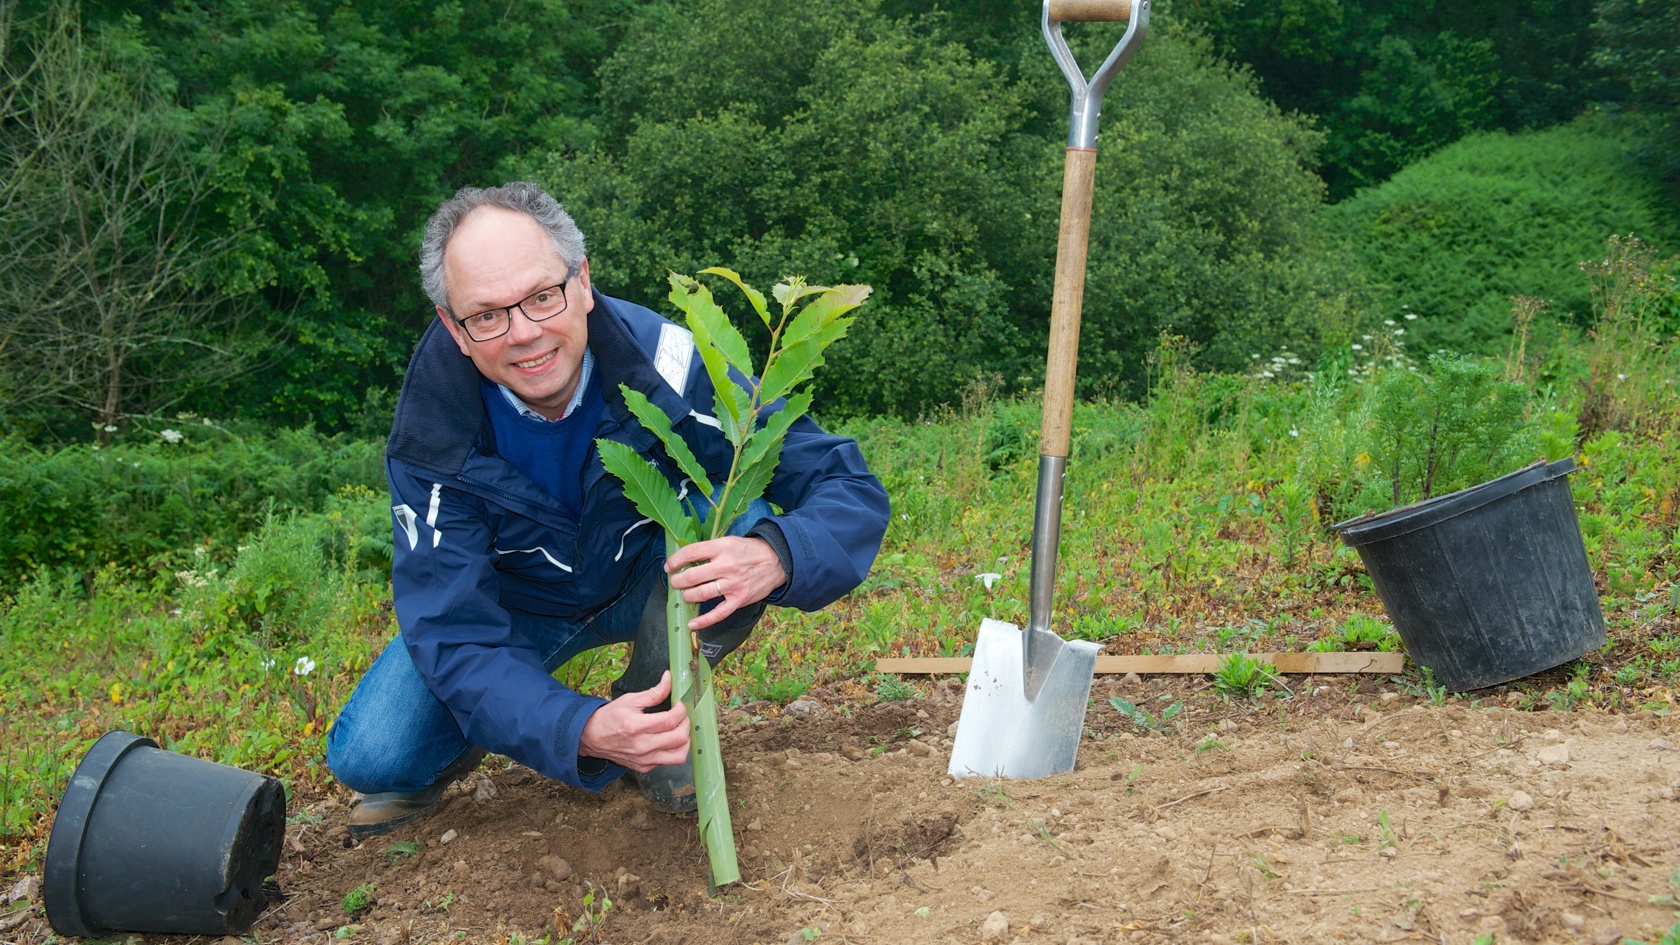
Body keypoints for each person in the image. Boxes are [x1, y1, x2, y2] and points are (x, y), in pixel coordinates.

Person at [325, 181, 888, 839]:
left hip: (646, 577)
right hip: (517, 609)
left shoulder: (673, 366)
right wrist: (578, 728)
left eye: (542, 296)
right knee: (374, 754)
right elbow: (454, 628)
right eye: (487, 315)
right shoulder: (433, 433)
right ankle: (509, 719)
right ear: (454, 328)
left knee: (738, 517)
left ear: (583, 281)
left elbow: (845, 485)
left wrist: (776, 553)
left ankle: (655, 710)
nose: (525, 334)